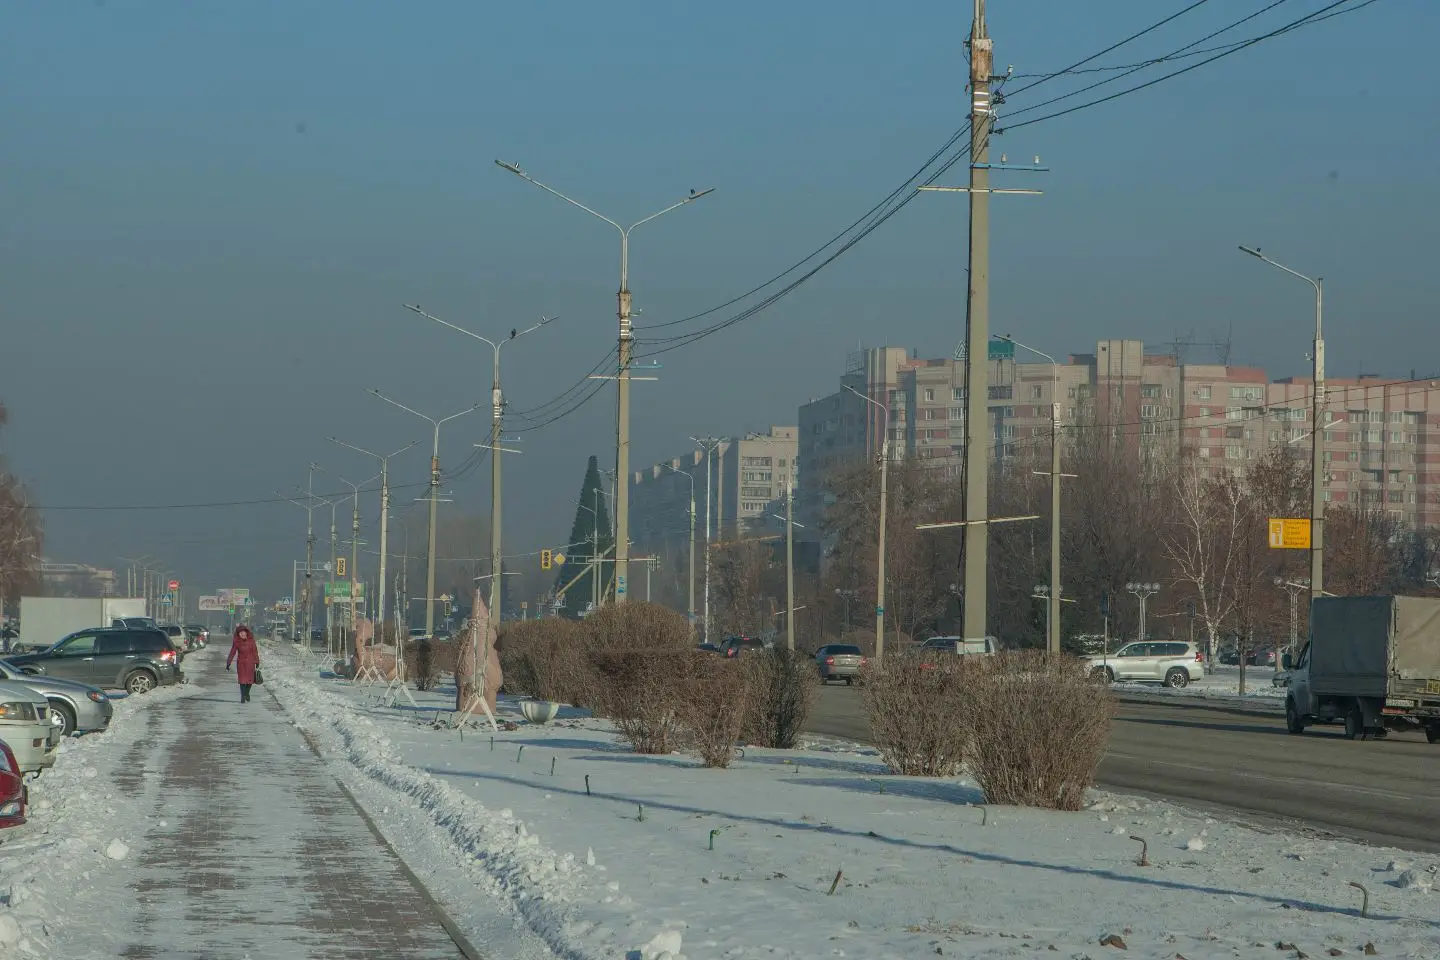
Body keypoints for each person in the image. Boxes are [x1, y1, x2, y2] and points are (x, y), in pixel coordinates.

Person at [226, 624, 261, 703]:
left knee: (250, 681)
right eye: (240, 633)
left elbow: (255, 652)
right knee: (242, 681)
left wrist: (257, 661)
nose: (242, 634)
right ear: (238, 634)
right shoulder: (237, 642)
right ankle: (242, 696)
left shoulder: (251, 641)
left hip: (250, 663)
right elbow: (232, 652)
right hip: (241, 663)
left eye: (243, 632)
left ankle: (247, 693)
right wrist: (228, 662)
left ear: (246, 633)